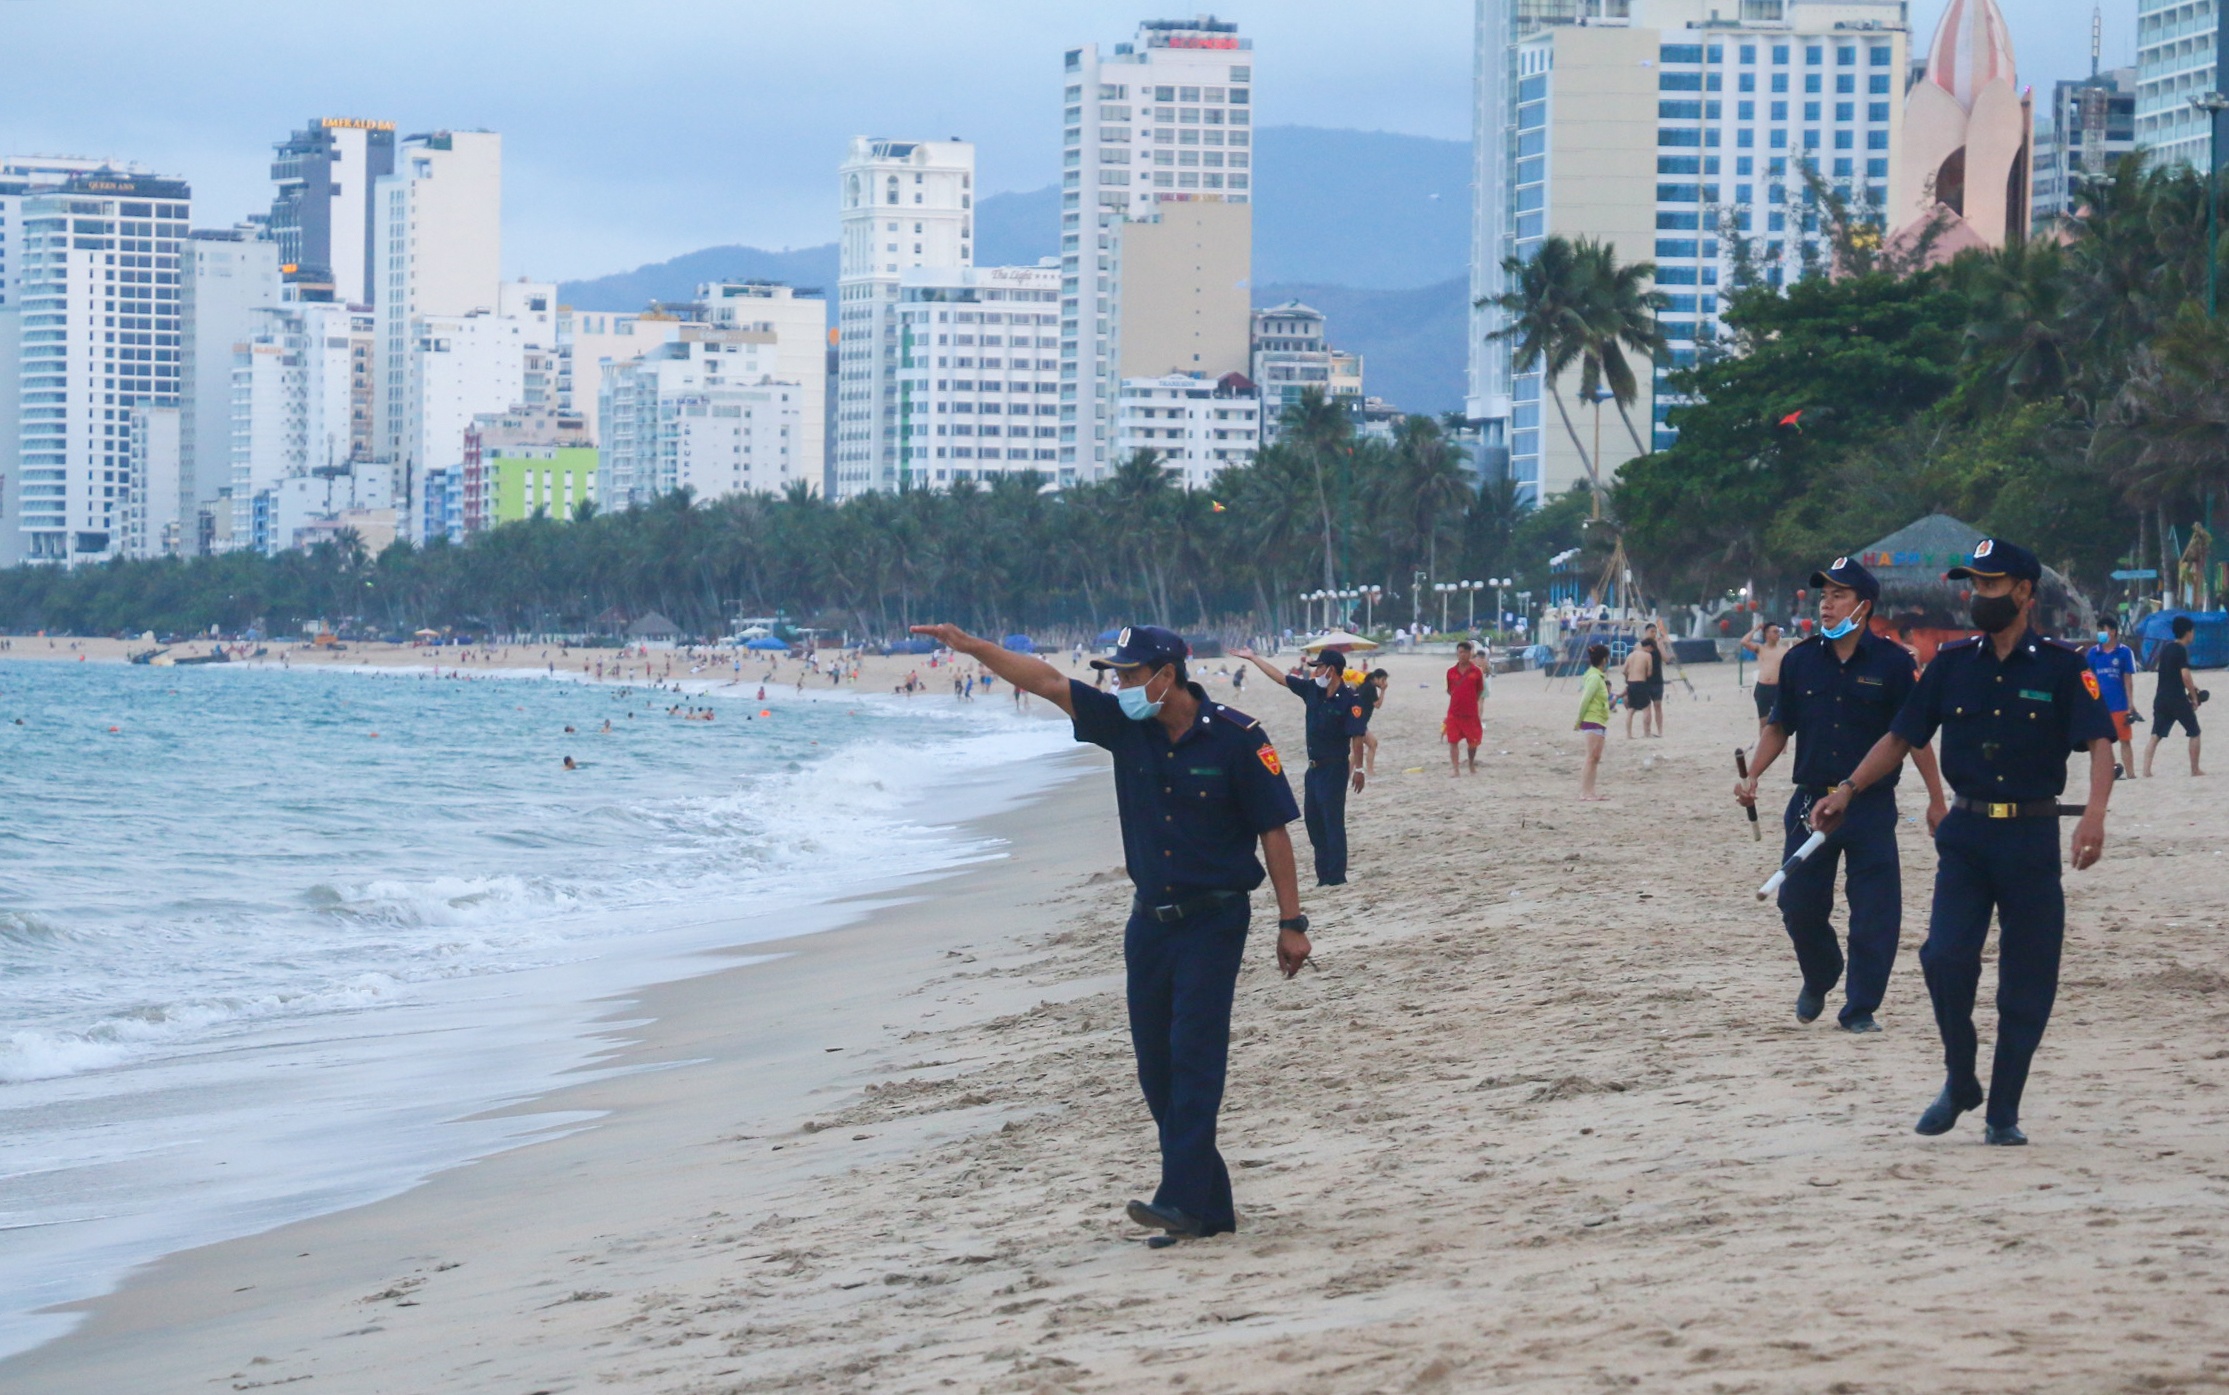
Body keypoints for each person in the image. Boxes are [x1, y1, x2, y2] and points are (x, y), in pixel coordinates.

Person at [906, 621, 1308, 1246]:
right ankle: (1210, 1209)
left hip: (1215, 920)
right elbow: (1046, 682)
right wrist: (974, 648)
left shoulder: (1237, 738)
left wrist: (1291, 922)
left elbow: (1274, 831)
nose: (1119, 686)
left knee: (1195, 1057)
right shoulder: (1125, 724)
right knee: (1156, 1069)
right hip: (1148, 925)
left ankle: (1179, 1199)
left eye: (1129, 674)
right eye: (1116, 676)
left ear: (1166, 675)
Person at [1808, 538, 2114, 1146]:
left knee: (2028, 978)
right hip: (1967, 836)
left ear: (2024, 592)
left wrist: (2095, 816)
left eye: (1990, 585)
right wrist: (1847, 789)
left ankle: (2003, 1112)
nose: (1978, 595)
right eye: (1974, 584)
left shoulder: (2061, 666)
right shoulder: (1951, 665)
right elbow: (1901, 736)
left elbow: (2101, 743)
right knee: (1943, 959)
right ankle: (1960, 1078)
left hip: (2030, 836)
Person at [1736, 558, 1947, 1033]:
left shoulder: (1893, 664)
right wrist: (1753, 775)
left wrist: (1937, 799)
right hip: (1811, 805)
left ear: (1863, 606)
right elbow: (1779, 727)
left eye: (1838, 596)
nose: (1826, 605)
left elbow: (1912, 737)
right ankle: (1821, 973)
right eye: (1823, 596)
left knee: (1875, 912)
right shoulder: (1799, 660)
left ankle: (1860, 1008)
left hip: (1869, 805)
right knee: (1798, 905)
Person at [1234, 646, 1367, 887]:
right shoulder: (1312, 691)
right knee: (1314, 822)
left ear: (1332, 670)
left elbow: (1357, 736)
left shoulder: (1350, 700)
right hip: (1313, 769)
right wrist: (1253, 658)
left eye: (1319, 667)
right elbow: (1280, 678)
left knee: (1332, 821)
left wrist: (1359, 769)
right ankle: (1323, 876)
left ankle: (1336, 876)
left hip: (1335, 768)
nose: (1315, 672)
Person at [2143, 615, 2204, 778]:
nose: (2193, 634)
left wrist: (2192, 688)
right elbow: (2185, 675)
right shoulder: (2181, 650)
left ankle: (2146, 771)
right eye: (2192, 631)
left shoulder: (2166, 649)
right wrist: (2194, 696)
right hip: (2176, 699)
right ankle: (2195, 770)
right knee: (2194, 732)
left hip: (2161, 698)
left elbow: (2170, 673)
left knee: (2155, 735)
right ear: (2188, 632)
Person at [2085, 616, 2138, 778]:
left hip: (2119, 704)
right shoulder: (2093, 653)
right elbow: (2088, 678)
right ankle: (2109, 772)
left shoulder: (2124, 652)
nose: (2101, 633)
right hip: (2099, 705)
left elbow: (2128, 679)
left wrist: (2130, 703)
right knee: (2102, 742)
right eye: (2099, 630)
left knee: (2124, 739)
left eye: (2104, 630)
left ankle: (2131, 774)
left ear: (2113, 632)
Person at [1444, 641, 1486, 776]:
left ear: (1469, 654)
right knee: (1453, 741)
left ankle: (1471, 763)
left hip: (1471, 713)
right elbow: (1450, 690)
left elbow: (1479, 691)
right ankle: (1455, 769)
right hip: (1454, 712)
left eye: (1465, 652)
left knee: (1473, 742)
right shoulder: (1450, 672)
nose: (1462, 655)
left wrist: (1470, 700)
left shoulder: (1476, 672)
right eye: (1460, 652)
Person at [1577, 643, 1611, 800]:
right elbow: (1585, 699)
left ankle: (1591, 791)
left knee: (1596, 758)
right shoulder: (1594, 677)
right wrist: (1579, 720)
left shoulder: (1599, 676)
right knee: (1590, 757)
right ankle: (1585, 792)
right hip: (1592, 719)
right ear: (1604, 660)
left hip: (1600, 720)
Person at [1743, 621, 1789, 735]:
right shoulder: (1760, 648)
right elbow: (1744, 642)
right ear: (1767, 634)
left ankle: (1782, 745)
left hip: (1778, 687)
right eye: (1775, 632)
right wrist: (1756, 629)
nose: (1778, 634)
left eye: (1778, 632)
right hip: (1763, 687)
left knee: (1780, 721)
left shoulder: (1784, 650)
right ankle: (1763, 744)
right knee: (1763, 721)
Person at [1621, 635, 1655, 739]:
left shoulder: (1630, 655)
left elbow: (1623, 670)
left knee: (1631, 709)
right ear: (1648, 647)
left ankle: (1629, 734)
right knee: (1646, 708)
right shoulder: (1647, 656)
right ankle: (1646, 733)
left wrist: (1628, 677)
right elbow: (1649, 673)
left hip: (1630, 683)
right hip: (1640, 682)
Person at [1360, 669, 1391, 777]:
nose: (1384, 682)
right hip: (1358, 722)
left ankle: (1369, 771)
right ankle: (1368, 771)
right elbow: (1377, 705)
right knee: (1362, 748)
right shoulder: (1370, 687)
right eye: (1383, 679)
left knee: (1371, 744)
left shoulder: (1366, 685)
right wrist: (1383, 691)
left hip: (1358, 721)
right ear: (1376, 678)